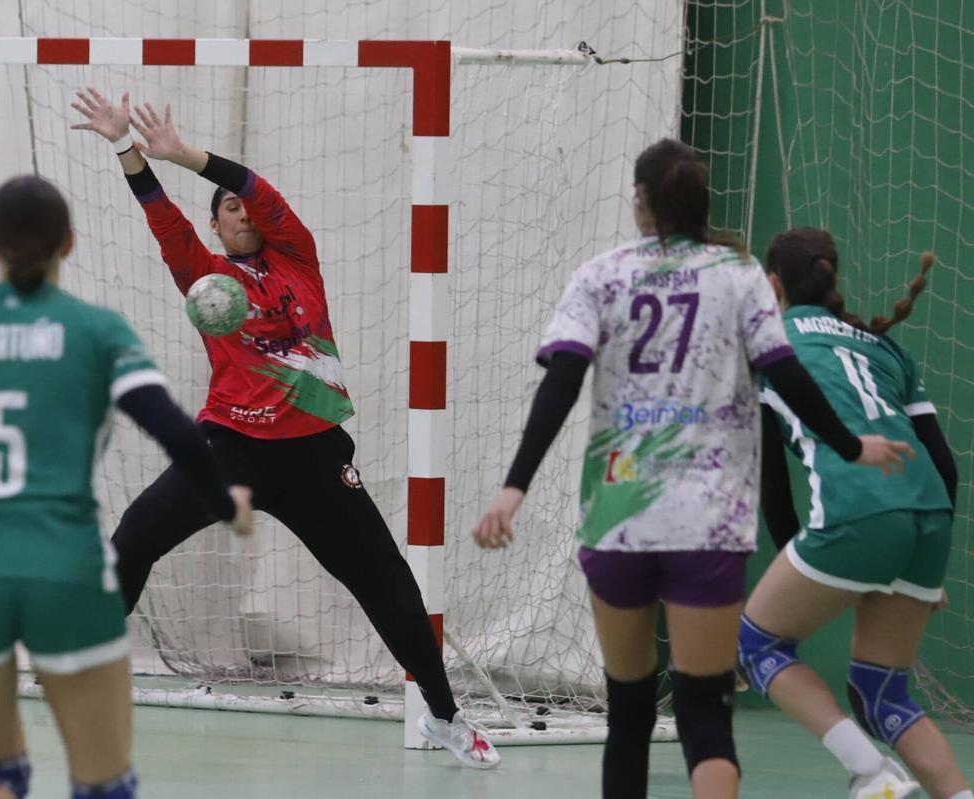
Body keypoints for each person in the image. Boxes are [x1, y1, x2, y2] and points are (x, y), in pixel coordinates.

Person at [69, 87, 500, 768]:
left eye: (242, 206)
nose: (239, 211)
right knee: (136, 533)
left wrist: (183, 153)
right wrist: (127, 148)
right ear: (214, 229)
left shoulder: (298, 255)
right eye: (226, 211)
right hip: (230, 448)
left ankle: (446, 715)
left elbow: (253, 185)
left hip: (313, 456)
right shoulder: (204, 276)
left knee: (387, 584)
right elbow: (163, 222)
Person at [471, 139, 911, 799]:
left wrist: (514, 487)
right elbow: (784, 371)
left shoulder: (601, 274)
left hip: (620, 520)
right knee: (706, 711)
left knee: (628, 710)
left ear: (641, 203)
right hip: (709, 522)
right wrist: (851, 447)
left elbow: (562, 380)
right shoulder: (739, 277)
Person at [0, 174, 253, 799]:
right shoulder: (98, 332)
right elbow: (175, 433)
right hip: (63, 570)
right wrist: (227, 504)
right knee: (103, 783)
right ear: (68, 242)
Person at [740, 228, 971, 799]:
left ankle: (871, 775)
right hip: (930, 518)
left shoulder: (769, 345)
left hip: (857, 513)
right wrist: (925, 572)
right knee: (881, 690)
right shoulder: (884, 346)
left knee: (758, 646)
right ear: (832, 278)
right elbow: (946, 465)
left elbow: (773, 490)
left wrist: (809, 565)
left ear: (773, 284)